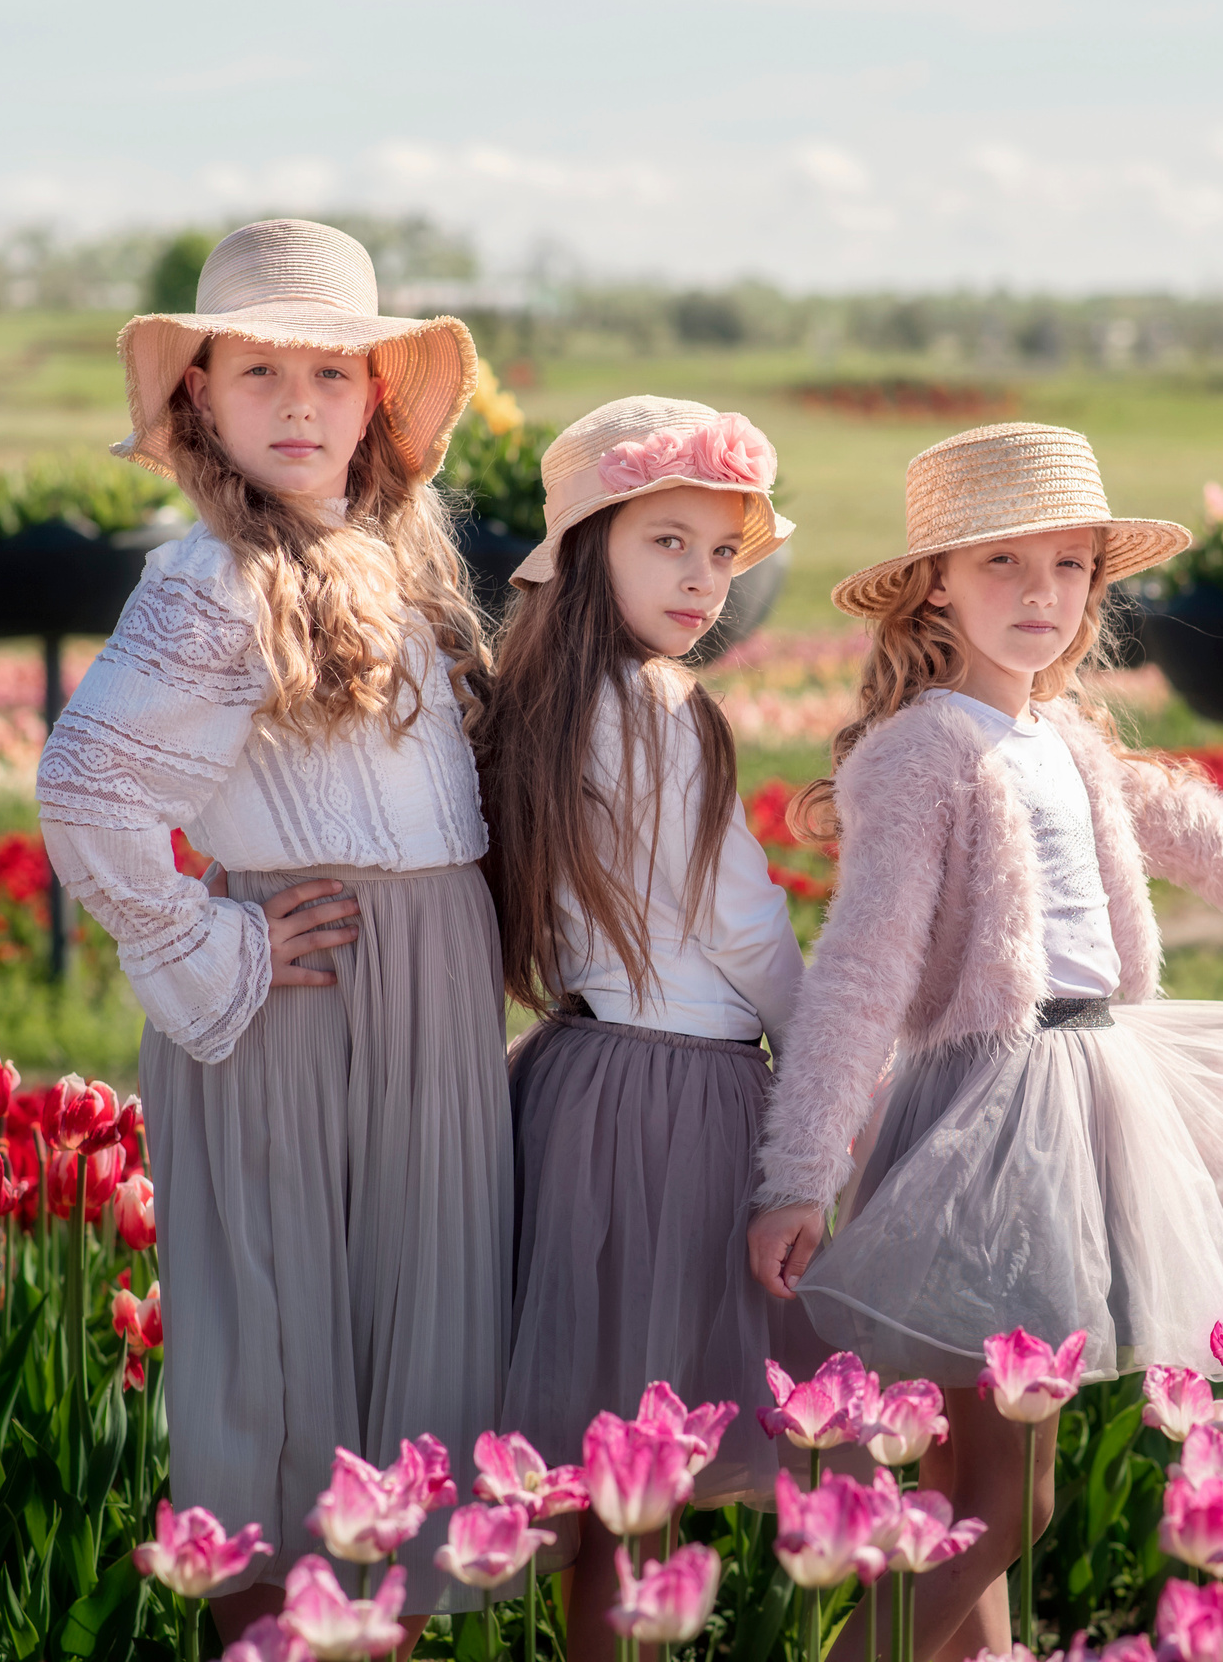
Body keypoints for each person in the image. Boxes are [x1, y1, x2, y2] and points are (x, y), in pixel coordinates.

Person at [747, 422, 1223, 1662]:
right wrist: (799, 1173)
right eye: (1002, 565)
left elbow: (1201, 834)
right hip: (988, 1122)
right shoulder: (922, 751)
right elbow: (863, 972)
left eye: (1067, 568)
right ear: (936, 578)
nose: (1039, 597)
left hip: (1092, 1096)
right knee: (1010, 1500)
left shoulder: (1067, 739)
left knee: (957, 1490)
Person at [36, 218, 504, 1651]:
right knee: (291, 1362)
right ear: (201, 402)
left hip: (426, 997)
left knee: (412, 1372)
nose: (299, 404)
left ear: (376, 400)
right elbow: (90, 789)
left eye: (333, 372)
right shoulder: (210, 583)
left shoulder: (380, 562)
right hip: (309, 993)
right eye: (258, 373)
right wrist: (216, 949)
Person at [477, 396, 803, 1662]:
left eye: (721, 553)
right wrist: (838, 1074)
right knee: (651, 1461)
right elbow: (743, 926)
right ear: (587, 544)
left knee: (606, 1475)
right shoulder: (666, 709)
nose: (703, 580)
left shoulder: (534, 706)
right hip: (684, 1102)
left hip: (573, 1079)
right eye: (668, 541)